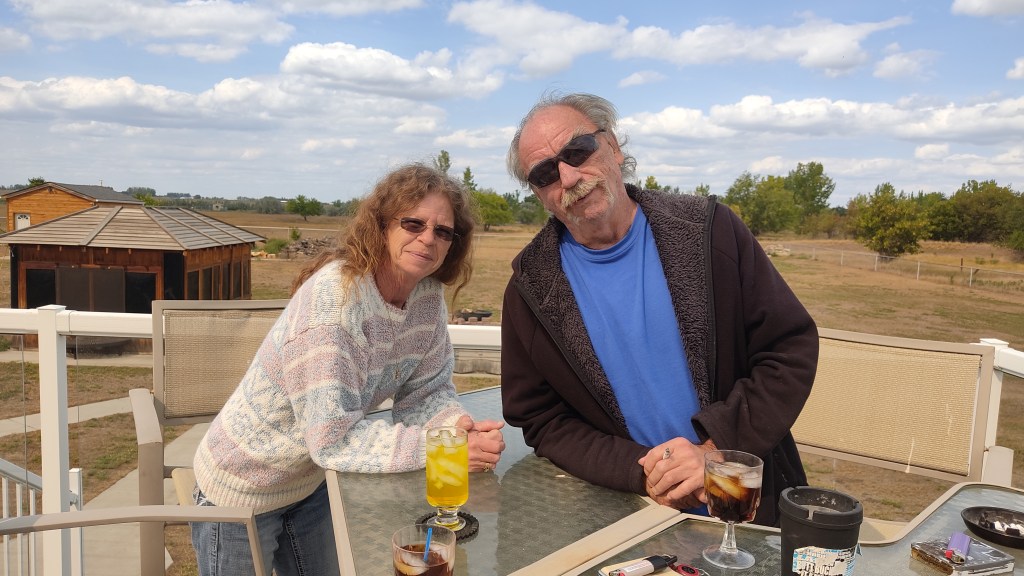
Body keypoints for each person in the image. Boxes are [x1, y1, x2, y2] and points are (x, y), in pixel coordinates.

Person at [500, 93, 817, 526]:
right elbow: (542, 419)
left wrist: (715, 451)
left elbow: (788, 349)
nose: (569, 176)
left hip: (747, 499)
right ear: (539, 193)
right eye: (544, 173)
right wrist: (643, 472)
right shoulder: (529, 290)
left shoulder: (710, 231)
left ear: (612, 146)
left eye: (578, 150)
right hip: (627, 515)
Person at [190, 163, 506, 576]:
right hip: (243, 485)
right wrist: (438, 449)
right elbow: (332, 439)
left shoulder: (427, 297)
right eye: (413, 223)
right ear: (381, 226)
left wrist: (455, 429)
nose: (428, 238)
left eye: (443, 231)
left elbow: (427, 392)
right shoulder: (334, 303)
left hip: (313, 482)